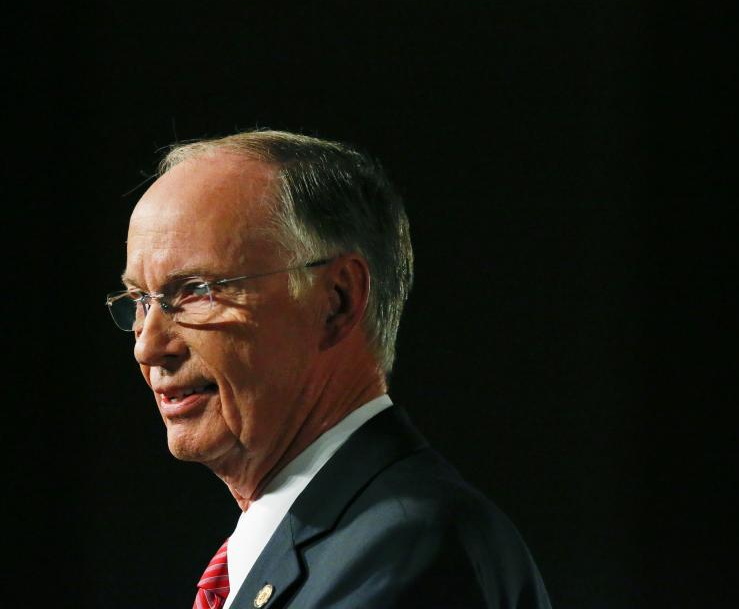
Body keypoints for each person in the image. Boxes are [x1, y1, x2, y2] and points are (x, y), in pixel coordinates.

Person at [106, 130, 552, 609]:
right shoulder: (317, 545)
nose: (148, 347)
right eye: (139, 300)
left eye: (195, 291)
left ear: (336, 301)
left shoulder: (404, 551)